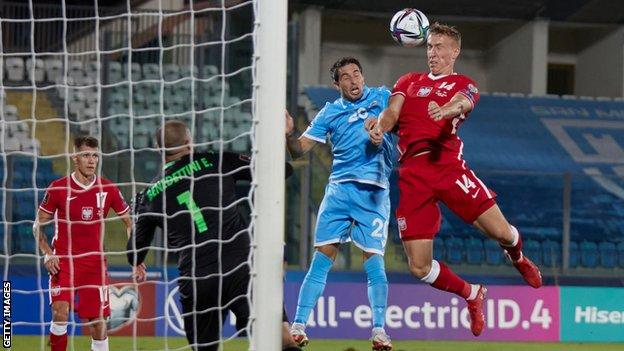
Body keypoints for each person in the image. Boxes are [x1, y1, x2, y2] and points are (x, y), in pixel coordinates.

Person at [368, 23, 542, 337]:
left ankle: (518, 257)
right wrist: (381, 124)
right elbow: (392, 113)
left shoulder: (464, 83)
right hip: (412, 176)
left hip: (448, 168)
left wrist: (446, 109)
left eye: (439, 47)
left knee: (504, 234)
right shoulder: (408, 81)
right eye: (429, 47)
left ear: (455, 51)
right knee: (419, 268)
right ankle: (472, 294)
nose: (432, 53)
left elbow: (465, 102)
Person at [127, 120, 300, 351]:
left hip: (197, 278)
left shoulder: (150, 194)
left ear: (159, 151)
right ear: (189, 141)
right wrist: (283, 137)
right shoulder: (215, 160)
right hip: (240, 266)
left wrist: (138, 214)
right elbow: (282, 171)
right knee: (281, 339)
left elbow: (134, 254)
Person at [285, 57, 395, 350]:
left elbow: (397, 120)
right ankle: (298, 326)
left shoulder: (383, 96)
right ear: (337, 84)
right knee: (322, 259)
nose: (353, 80)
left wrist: (380, 132)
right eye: (345, 77)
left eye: (356, 73)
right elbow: (298, 151)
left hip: (374, 191)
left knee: (373, 260)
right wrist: (287, 133)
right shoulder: (329, 113)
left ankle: (379, 330)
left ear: (363, 75)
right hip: (339, 192)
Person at [34, 136, 139, 351]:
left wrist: (136, 257)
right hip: (63, 261)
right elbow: (38, 226)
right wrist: (47, 253)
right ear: (75, 158)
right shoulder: (58, 188)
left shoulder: (108, 189)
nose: (91, 160)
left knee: (98, 324)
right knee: (60, 313)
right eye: (85, 155)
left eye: (94, 155)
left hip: (94, 266)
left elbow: (130, 224)